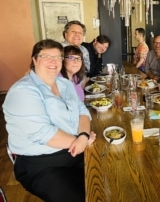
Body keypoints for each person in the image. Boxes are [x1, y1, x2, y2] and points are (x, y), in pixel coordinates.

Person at [3, 39, 96, 202]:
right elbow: (45, 134)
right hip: (42, 164)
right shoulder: (23, 90)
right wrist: (81, 140)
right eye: (47, 56)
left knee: (105, 178)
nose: (54, 62)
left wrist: (83, 135)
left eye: (58, 57)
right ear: (34, 60)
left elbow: (82, 112)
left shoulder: (65, 84)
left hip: (75, 150)